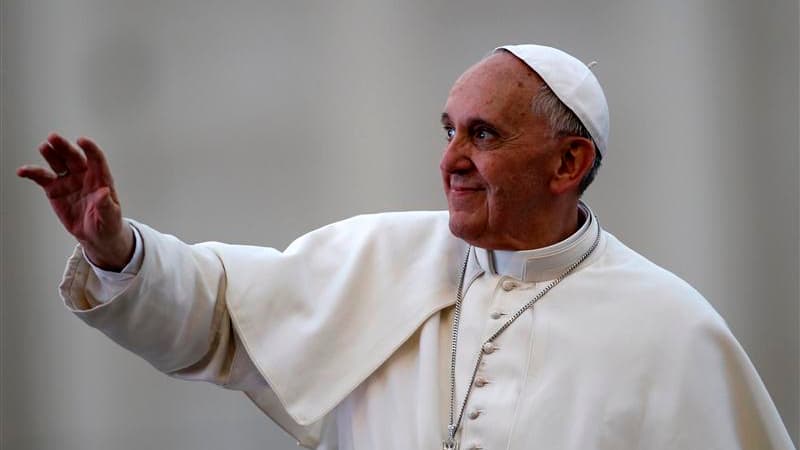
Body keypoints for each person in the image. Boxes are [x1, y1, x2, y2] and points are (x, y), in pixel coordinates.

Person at [17, 44, 795, 450]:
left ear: (569, 164)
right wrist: (119, 250)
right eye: (448, 129)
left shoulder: (670, 330)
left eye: (483, 134)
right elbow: (217, 311)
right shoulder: (383, 260)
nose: (452, 157)